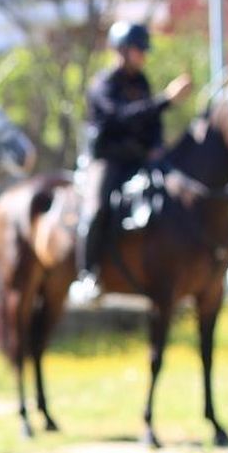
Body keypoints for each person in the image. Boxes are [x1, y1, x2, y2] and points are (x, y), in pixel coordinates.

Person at [73, 21, 191, 302]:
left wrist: (158, 147)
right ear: (124, 50)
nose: (144, 56)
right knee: (98, 208)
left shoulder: (141, 82)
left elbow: (151, 123)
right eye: (140, 50)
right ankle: (87, 274)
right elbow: (120, 117)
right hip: (108, 160)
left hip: (139, 160)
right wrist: (165, 100)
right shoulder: (104, 84)